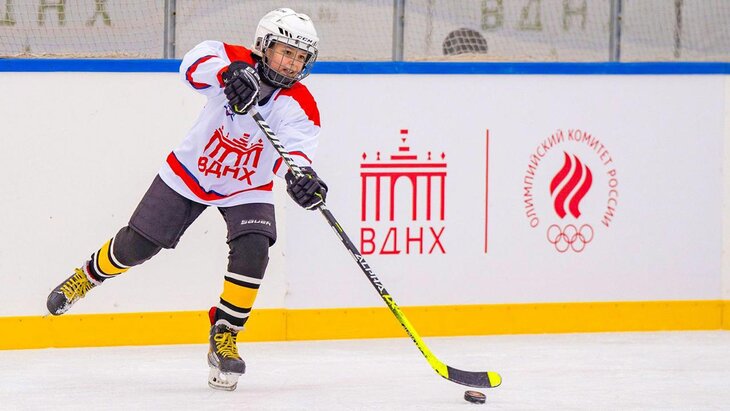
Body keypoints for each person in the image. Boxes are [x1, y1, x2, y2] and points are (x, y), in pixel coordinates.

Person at [45, 7, 326, 391]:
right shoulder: (234, 59)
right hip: (190, 173)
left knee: (255, 249)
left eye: (300, 57)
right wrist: (228, 74)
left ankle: (225, 333)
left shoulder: (301, 104)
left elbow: (293, 155)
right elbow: (192, 65)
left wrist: (302, 178)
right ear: (264, 45)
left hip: (247, 185)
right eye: (285, 52)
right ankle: (86, 276)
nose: (292, 63)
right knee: (136, 247)